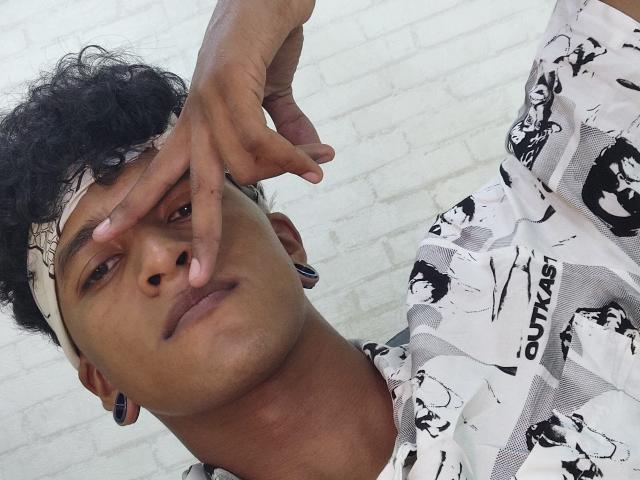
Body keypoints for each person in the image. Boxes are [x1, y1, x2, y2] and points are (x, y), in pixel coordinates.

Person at [2, 1, 640, 480]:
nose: (163, 255)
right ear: (103, 381)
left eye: (187, 206)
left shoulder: (525, 260)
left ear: (287, 242)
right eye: (100, 269)